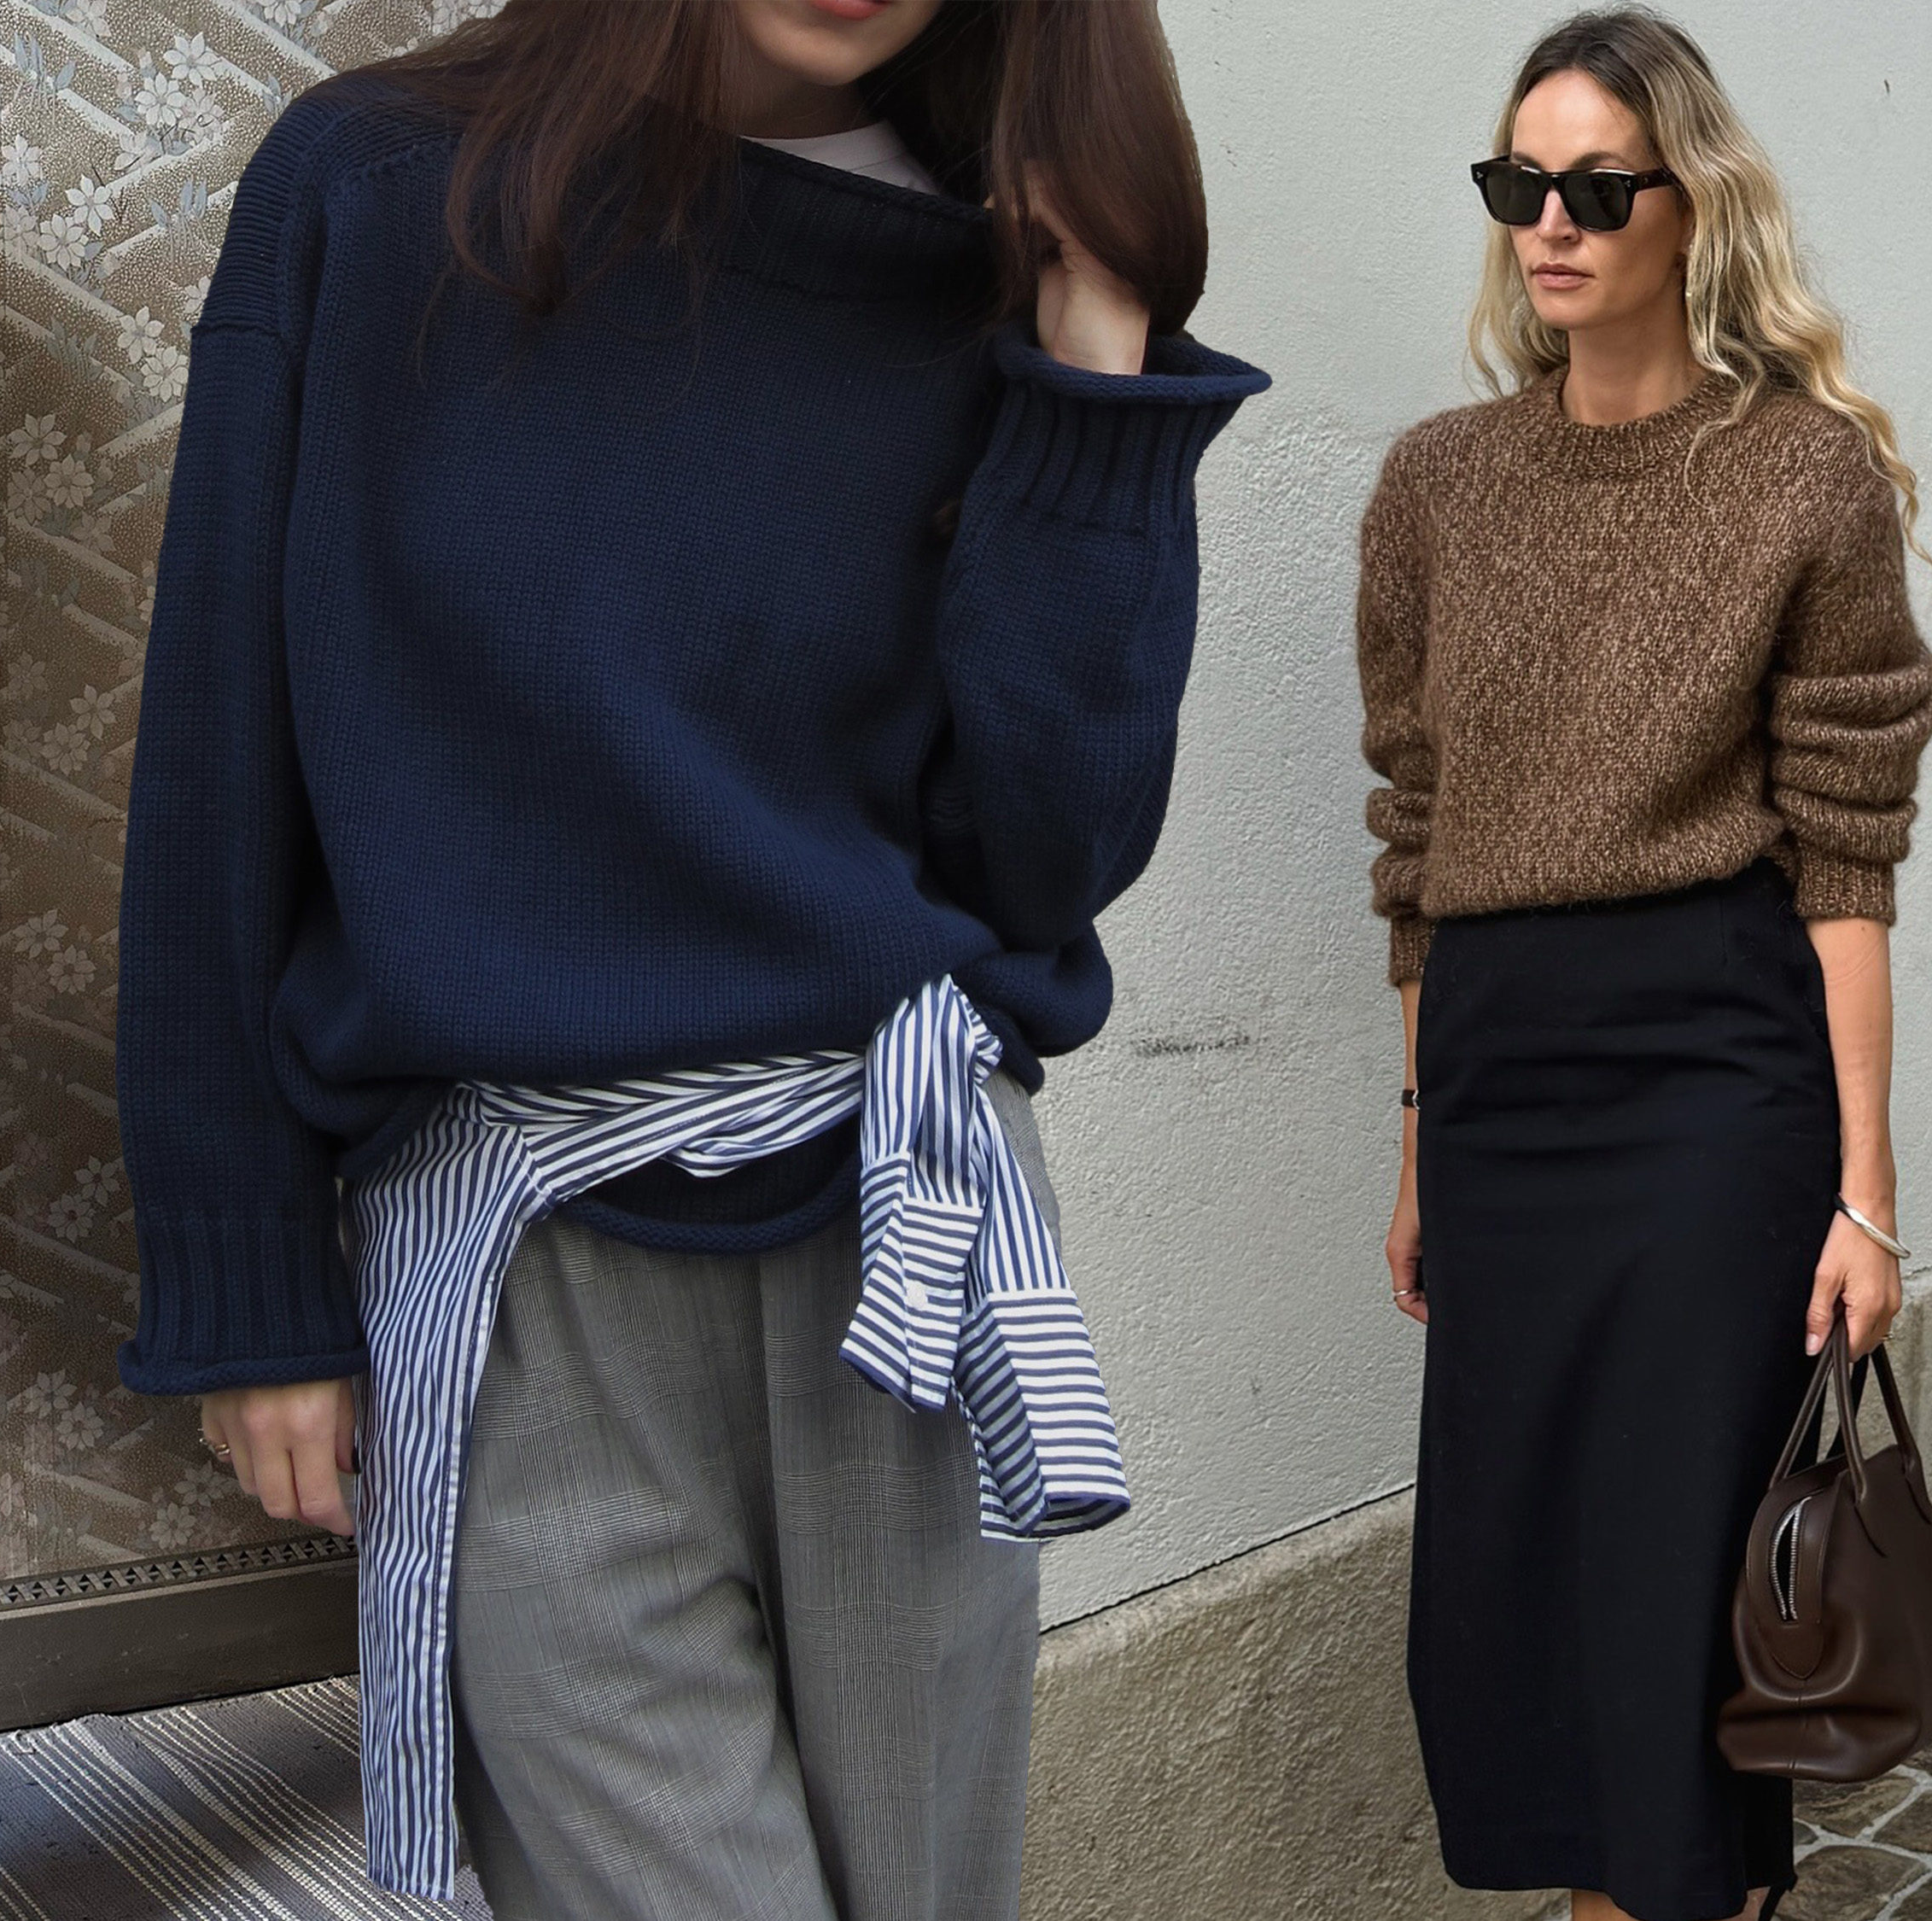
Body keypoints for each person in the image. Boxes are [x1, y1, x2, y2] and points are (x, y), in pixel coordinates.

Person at [114, 1, 1264, 1912]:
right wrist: (244, 1279)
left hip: (906, 1228)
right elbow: (221, 749)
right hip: (527, 1269)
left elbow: (1047, 856)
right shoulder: (374, 190)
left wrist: (1091, 366)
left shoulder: (997, 263)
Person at [1359, 11, 1932, 1920]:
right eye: (1517, 183)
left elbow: (1843, 864)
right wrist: (1418, 1134)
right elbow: (1421, 835)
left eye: (1595, 186)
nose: (1549, 221)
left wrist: (1861, 1193)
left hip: (1711, 1076)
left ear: (1688, 209)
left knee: (1671, 1575)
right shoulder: (1436, 485)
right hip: (1507, 1080)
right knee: (1515, 1581)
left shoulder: (1799, 478)